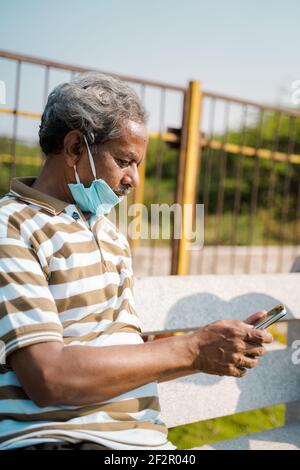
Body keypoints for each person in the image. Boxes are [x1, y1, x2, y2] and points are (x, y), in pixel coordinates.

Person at [0, 72, 272, 450]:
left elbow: (119, 363)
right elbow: (50, 378)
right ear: (75, 147)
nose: (134, 180)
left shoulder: (109, 235)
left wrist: (208, 352)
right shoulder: (12, 227)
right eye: (125, 161)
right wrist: (189, 349)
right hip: (64, 441)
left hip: (142, 444)